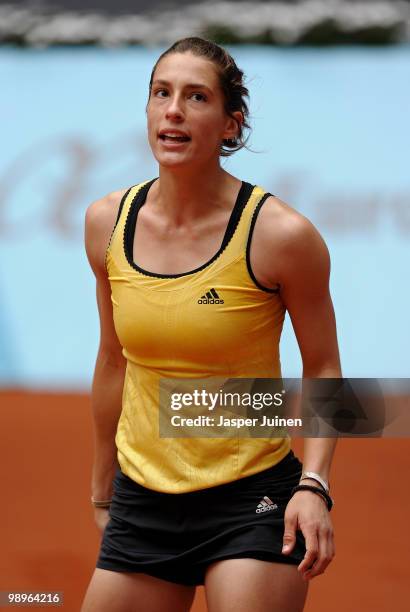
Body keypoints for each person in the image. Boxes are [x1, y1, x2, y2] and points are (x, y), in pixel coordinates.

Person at [81, 37, 340, 612]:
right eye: (161, 93)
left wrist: (314, 486)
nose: (172, 110)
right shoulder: (106, 222)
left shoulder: (282, 236)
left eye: (196, 97)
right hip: (142, 499)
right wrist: (104, 489)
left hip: (253, 500)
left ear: (230, 124)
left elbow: (323, 366)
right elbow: (112, 359)